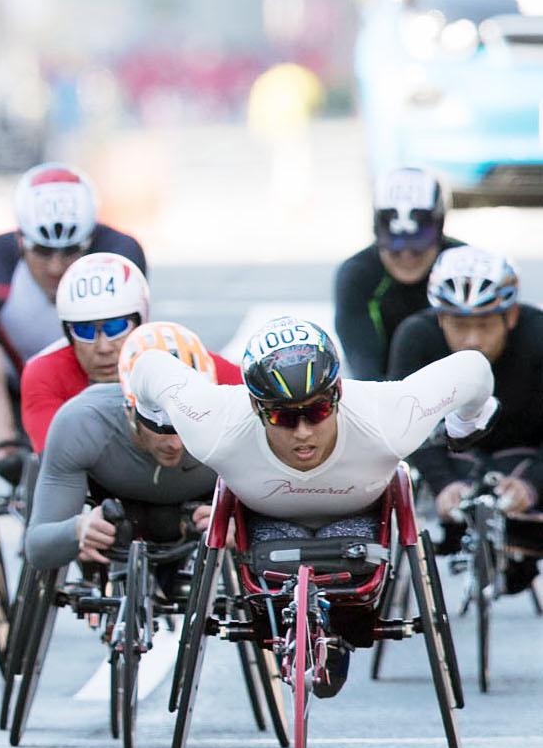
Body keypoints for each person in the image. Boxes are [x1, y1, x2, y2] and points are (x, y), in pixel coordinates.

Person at [128, 315, 496, 696]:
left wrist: (465, 424)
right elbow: (149, 367)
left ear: (337, 392)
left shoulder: (387, 416)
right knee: (275, 567)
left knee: (352, 561)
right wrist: (157, 416)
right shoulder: (215, 423)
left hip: (357, 524)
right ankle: (297, 635)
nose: (303, 432)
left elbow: (473, 369)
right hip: (266, 527)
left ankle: (340, 636)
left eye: (317, 411)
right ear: (255, 405)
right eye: (283, 416)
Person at [0, 163, 146, 478]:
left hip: (94, 382)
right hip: (13, 387)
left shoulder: (120, 253)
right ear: (20, 240)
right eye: (42, 251)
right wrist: (5, 443)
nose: (56, 268)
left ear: (91, 240)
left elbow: (128, 348)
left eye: (70, 251)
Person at [24, 322, 222, 594]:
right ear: (131, 409)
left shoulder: (231, 422)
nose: (175, 443)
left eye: (187, 425)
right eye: (160, 427)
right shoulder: (82, 424)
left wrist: (240, 523)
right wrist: (78, 528)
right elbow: (38, 547)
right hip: (118, 513)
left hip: (195, 515)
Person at [387, 245, 543, 588]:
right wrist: (443, 484)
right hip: (454, 453)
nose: (472, 339)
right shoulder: (416, 336)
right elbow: (402, 423)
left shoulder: (537, 335)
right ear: (440, 318)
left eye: (485, 325)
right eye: (459, 325)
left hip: (524, 452)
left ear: (511, 316)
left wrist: (532, 483)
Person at [20, 253, 243, 453]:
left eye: (116, 327)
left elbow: (252, 408)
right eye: (85, 330)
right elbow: (54, 456)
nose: (103, 347)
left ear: (140, 322)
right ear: (68, 333)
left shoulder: (184, 356)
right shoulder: (43, 372)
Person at [334, 166, 459, 380]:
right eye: (394, 247)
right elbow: (363, 366)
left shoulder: (461, 265)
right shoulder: (357, 274)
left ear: (439, 232)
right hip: (385, 389)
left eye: (418, 247)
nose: (407, 256)